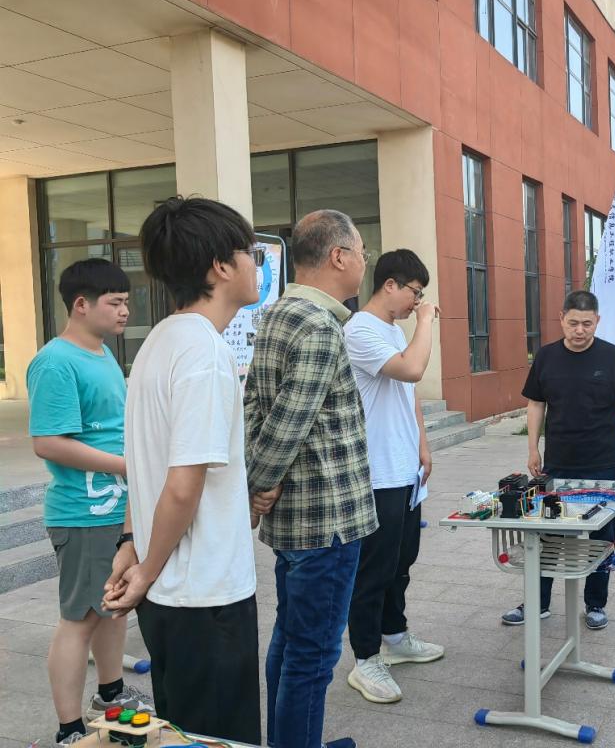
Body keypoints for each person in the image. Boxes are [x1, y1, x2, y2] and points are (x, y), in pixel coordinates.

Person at [102, 197, 262, 745]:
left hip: (170, 593)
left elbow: (145, 462)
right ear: (221, 265)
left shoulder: (158, 341)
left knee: (179, 732)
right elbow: (182, 484)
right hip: (205, 595)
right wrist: (144, 568)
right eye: (251, 253)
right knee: (217, 737)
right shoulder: (204, 352)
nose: (256, 265)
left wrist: (132, 543)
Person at [244, 210, 378, 748]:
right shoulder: (319, 325)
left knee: (290, 640)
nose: (364, 261)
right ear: (338, 256)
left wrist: (261, 481)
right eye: (362, 250)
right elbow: (287, 422)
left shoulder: (278, 313)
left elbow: (253, 406)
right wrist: (262, 481)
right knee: (313, 655)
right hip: (327, 520)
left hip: (297, 519)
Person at [26, 259, 151, 747]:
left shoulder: (101, 354)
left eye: (126, 303)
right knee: (79, 620)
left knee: (113, 607)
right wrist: (126, 465)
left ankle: (110, 694)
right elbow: (48, 442)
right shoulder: (56, 361)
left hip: (115, 508)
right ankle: (69, 728)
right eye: (115, 303)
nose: (125, 312)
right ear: (81, 304)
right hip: (84, 512)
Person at [499, 290, 615, 631]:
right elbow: (536, 404)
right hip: (558, 461)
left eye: (587, 324)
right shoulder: (547, 357)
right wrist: (532, 448)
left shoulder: (612, 356)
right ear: (561, 318)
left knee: (602, 535)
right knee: (545, 533)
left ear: (597, 321)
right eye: (574, 323)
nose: (580, 330)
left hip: (602, 461)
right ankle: (538, 602)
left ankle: (595, 603)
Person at [341, 249, 444, 704]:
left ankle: (395, 635)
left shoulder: (392, 330)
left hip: (404, 466)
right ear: (389, 285)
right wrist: (426, 321)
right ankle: (365, 658)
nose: (417, 302)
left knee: (403, 559)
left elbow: (409, 390)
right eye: (414, 293)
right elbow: (413, 368)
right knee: (374, 569)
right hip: (376, 471)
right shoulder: (360, 330)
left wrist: (422, 444)